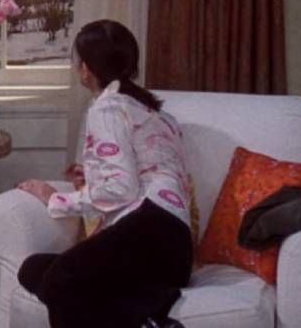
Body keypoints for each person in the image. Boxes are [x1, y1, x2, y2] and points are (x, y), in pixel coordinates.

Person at [15, 19, 192, 328]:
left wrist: (54, 198)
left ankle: (151, 314)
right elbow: (138, 173)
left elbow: (122, 190)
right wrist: (93, 176)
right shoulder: (155, 112)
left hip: (152, 231)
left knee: (59, 279)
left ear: (85, 68)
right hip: (175, 253)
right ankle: (151, 315)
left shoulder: (107, 107)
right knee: (33, 269)